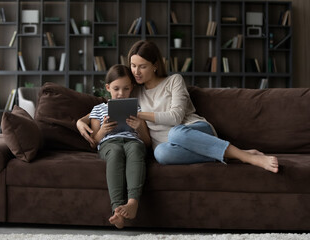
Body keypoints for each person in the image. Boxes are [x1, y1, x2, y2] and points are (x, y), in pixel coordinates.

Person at [78, 40, 278, 179]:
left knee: (176, 133)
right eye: (133, 66)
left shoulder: (174, 81)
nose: (136, 72)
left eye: (142, 66)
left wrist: (138, 114)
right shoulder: (133, 90)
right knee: (161, 155)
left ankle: (247, 157)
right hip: (169, 146)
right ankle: (232, 153)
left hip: (192, 130)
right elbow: (108, 104)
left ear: (155, 65)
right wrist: (81, 121)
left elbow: (175, 117)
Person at [88, 64, 151, 229]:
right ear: (108, 88)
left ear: (132, 88)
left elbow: (147, 142)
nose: (121, 94)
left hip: (133, 141)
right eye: (116, 89)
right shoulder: (98, 109)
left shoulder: (137, 109)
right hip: (109, 143)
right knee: (115, 152)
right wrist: (103, 130)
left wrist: (139, 127)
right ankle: (117, 210)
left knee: (135, 149)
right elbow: (94, 141)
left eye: (125, 89)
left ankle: (132, 203)